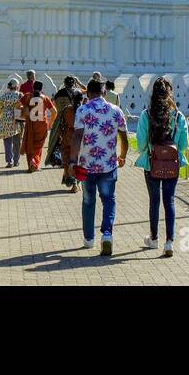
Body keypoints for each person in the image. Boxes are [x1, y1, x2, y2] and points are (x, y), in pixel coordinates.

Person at [72, 78, 129, 255]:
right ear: (104, 92)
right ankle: (107, 234)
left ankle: (89, 239)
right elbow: (125, 138)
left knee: (88, 201)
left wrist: (72, 161)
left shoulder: (82, 110)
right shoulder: (116, 110)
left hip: (86, 165)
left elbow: (77, 137)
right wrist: (123, 156)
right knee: (109, 200)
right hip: (108, 165)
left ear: (87, 93)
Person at [136, 77, 189, 256]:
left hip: (152, 163)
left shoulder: (146, 114)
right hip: (171, 165)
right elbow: (182, 145)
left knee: (154, 201)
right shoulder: (178, 116)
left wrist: (153, 148)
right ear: (169, 94)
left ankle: (154, 238)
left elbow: (142, 143)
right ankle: (169, 242)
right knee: (170, 201)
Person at [18, 81, 56, 172]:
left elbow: (17, 105)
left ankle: (31, 161)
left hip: (30, 124)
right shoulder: (45, 98)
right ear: (42, 89)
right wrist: (51, 123)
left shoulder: (27, 96)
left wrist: (24, 110)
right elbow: (54, 111)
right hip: (42, 125)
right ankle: (34, 163)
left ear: (33, 87)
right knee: (38, 146)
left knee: (30, 143)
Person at [45, 76, 80, 166]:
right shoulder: (76, 92)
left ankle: (59, 160)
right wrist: (79, 83)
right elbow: (86, 91)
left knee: (56, 139)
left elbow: (54, 103)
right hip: (74, 120)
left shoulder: (60, 93)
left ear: (64, 83)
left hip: (61, 119)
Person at [59, 90, 85, 190]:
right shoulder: (84, 110)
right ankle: (76, 183)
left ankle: (70, 179)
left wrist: (62, 136)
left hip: (68, 137)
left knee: (67, 160)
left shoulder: (66, 110)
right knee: (78, 160)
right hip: (80, 138)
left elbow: (61, 125)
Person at [0, 79, 24, 168]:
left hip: (6, 120)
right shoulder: (20, 95)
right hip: (16, 119)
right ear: (17, 86)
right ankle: (16, 161)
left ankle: (9, 161)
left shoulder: (4, 96)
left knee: (7, 142)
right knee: (17, 142)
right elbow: (23, 106)